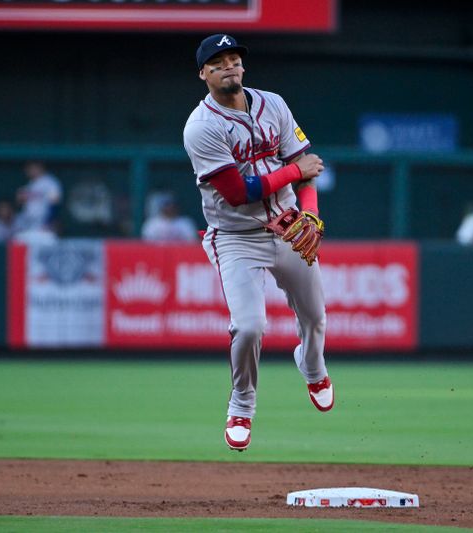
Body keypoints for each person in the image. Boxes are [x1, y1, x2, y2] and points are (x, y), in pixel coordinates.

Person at [183, 34, 332, 452]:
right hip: (235, 237)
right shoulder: (201, 127)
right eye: (218, 62)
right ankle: (242, 404)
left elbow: (307, 172)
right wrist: (293, 171)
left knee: (316, 318)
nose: (229, 65)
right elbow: (238, 192)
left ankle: (313, 365)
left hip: (288, 227)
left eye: (234, 59)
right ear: (204, 74)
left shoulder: (274, 104)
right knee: (248, 326)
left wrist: (312, 212)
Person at [13, 161, 63, 240]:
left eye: (32, 168)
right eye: (28, 169)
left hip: (44, 225)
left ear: (40, 168)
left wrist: (49, 222)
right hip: (28, 225)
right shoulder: (30, 185)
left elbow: (55, 203)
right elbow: (19, 203)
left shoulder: (50, 182)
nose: (29, 171)